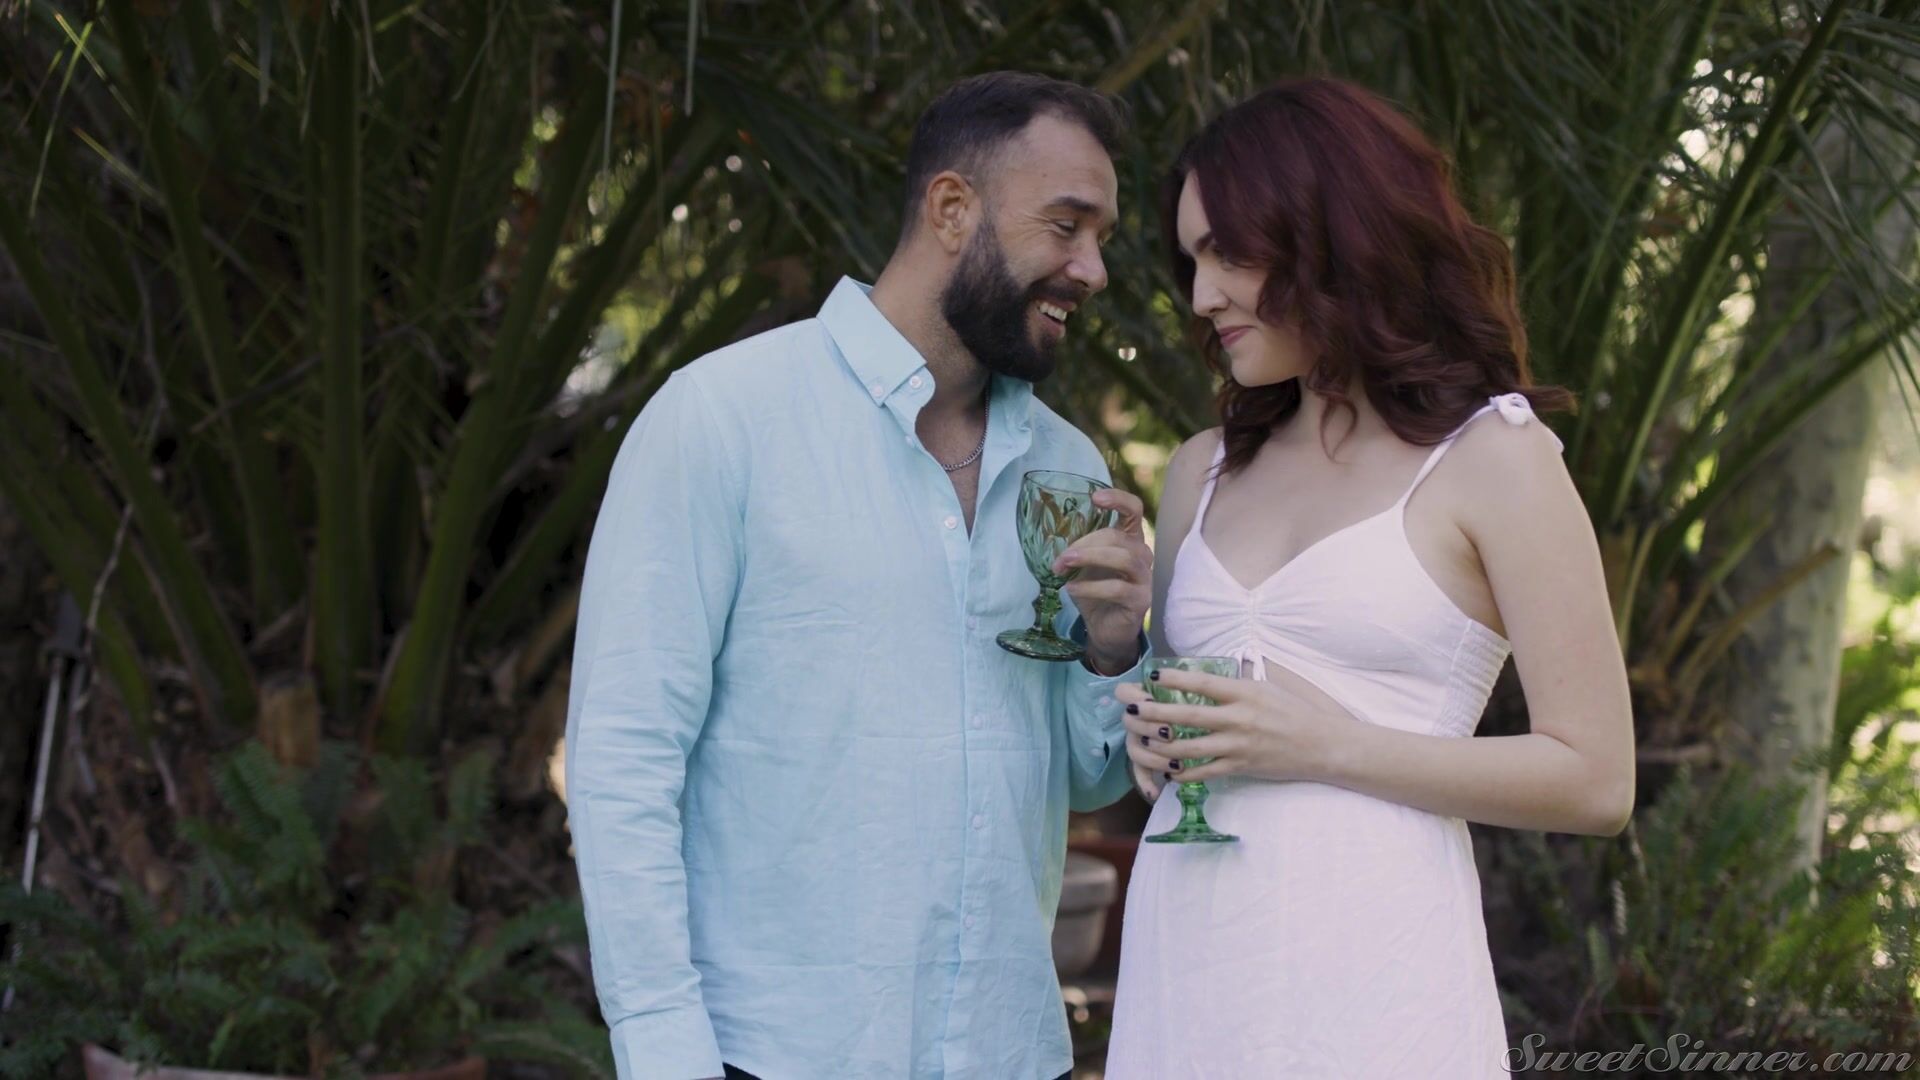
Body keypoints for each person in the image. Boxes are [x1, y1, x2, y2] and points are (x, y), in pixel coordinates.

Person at [564, 71, 1153, 1080]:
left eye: (1101, 237)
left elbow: (1089, 777)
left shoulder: (1068, 467)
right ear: (952, 208)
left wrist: (1112, 647)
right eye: (1066, 226)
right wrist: (664, 1051)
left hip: (1013, 1052)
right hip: (773, 1055)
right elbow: (623, 762)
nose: (1093, 269)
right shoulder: (721, 419)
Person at [1103, 78, 1636, 1078]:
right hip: (1191, 963)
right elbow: (1188, 730)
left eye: (1227, 252)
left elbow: (1598, 779)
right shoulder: (1199, 471)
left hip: (1376, 973)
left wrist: (1329, 746)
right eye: (1192, 260)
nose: (1202, 295)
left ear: (1329, 235)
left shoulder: (1496, 458)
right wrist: (1145, 718)